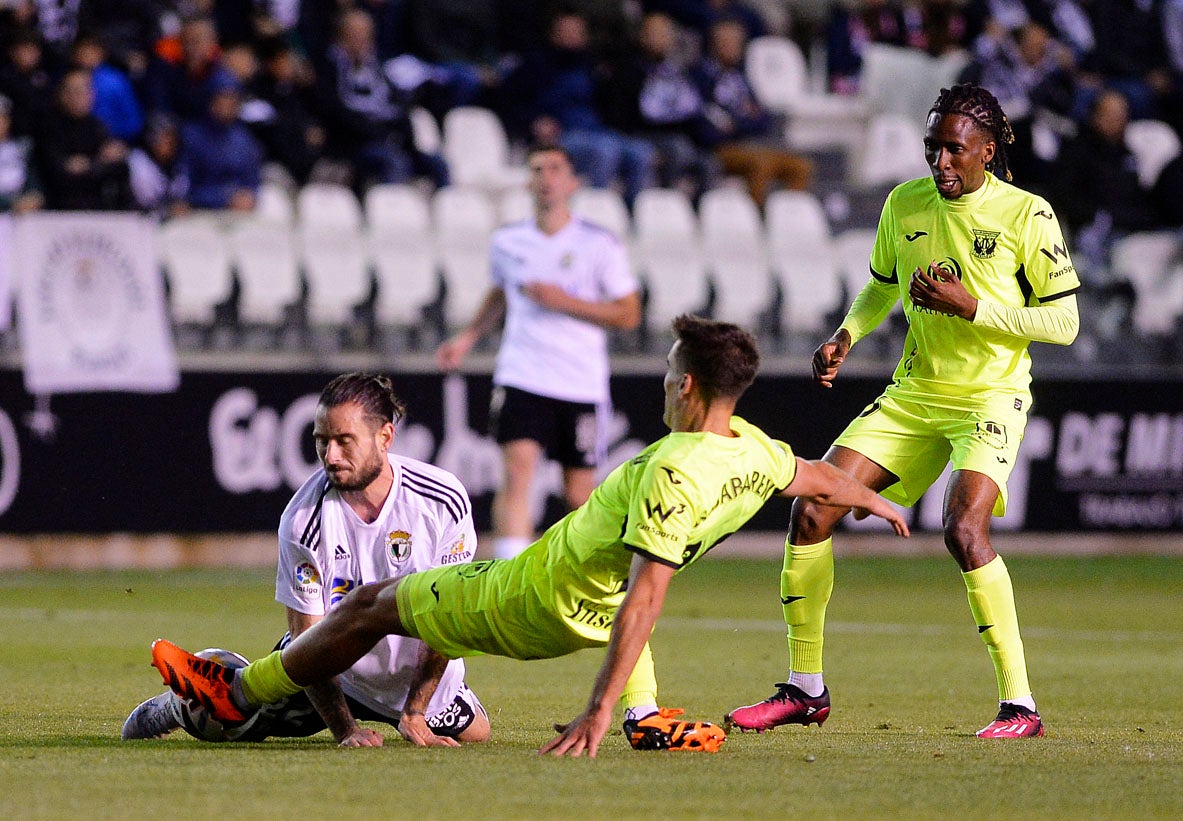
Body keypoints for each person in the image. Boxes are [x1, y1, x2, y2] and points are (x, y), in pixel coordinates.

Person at [150, 315, 911, 758]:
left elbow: (648, 597)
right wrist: (878, 504)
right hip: (579, 608)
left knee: (369, 607)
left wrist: (597, 712)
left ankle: (238, 687)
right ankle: (649, 719)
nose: (660, 381)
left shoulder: (670, 471)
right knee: (464, 708)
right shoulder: (751, 446)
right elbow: (816, 474)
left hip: (527, 596)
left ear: (686, 386)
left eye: (668, 369)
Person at [726, 83, 1080, 740]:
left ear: (987, 150)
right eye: (932, 149)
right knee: (811, 507)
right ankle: (804, 688)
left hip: (988, 395)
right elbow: (882, 284)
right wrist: (845, 335)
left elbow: (1064, 321)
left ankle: (1019, 705)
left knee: (964, 530)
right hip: (915, 392)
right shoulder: (905, 202)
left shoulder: (1027, 215)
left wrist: (972, 307)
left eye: (954, 149)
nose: (940, 163)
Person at [124, 373, 491, 748]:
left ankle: (407, 707)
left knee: (480, 734)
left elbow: (448, 615)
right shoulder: (303, 521)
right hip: (335, 671)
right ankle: (178, 705)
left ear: (385, 437)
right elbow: (308, 638)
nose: (330, 456)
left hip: (407, 681)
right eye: (321, 441)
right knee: (229, 723)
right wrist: (345, 730)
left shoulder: (442, 500)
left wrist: (415, 712)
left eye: (344, 441)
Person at [435, 144, 642, 560]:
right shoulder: (508, 242)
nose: (545, 177)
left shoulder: (598, 243)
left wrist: (563, 301)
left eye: (555, 168)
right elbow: (501, 292)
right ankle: (512, 580)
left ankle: (579, 576)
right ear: (528, 182)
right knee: (516, 475)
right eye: (537, 169)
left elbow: (628, 314)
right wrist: (469, 336)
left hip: (580, 382)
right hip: (523, 374)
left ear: (572, 182)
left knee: (580, 492)